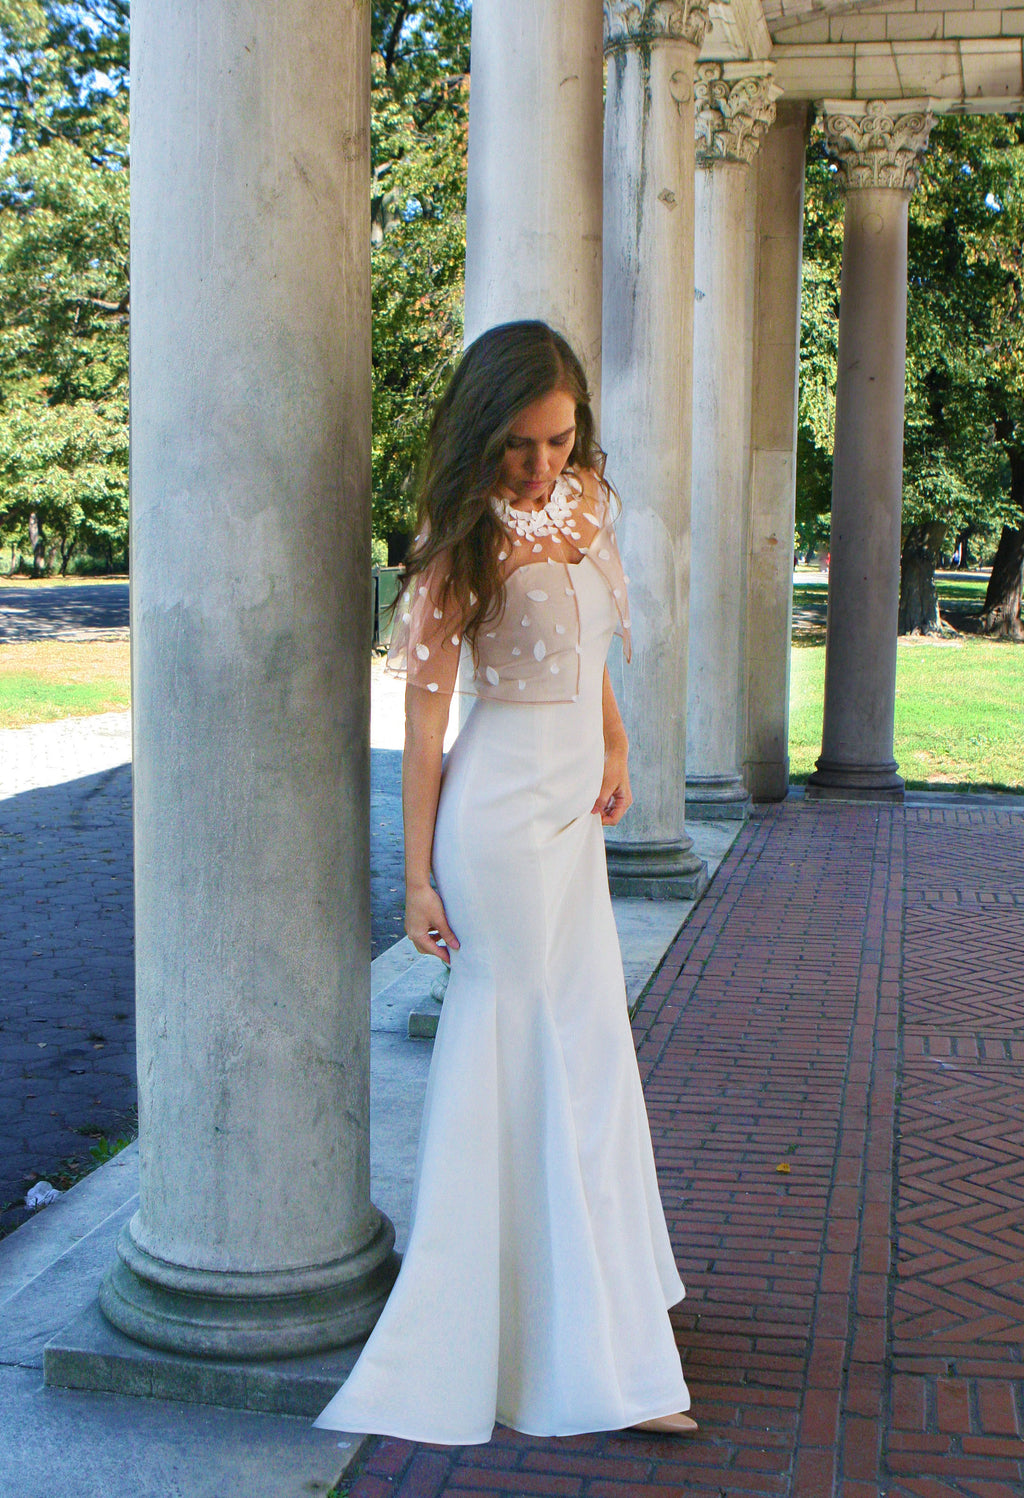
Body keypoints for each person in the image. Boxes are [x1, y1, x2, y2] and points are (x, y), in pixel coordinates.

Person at [315, 321, 694, 1445]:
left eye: (559, 440)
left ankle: (603, 1313)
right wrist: (415, 879)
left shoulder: (590, 502)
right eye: (520, 444)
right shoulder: (457, 545)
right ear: (484, 434)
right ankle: (557, 1353)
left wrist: (615, 743)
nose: (539, 465)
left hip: (574, 812)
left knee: (590, 1050)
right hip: (497, 823)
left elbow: (593, 653)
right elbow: (422, 730)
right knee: (535, 1061)